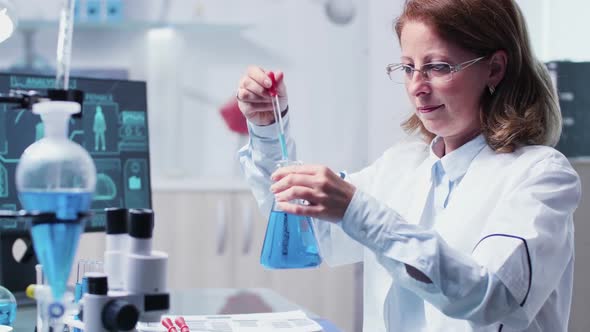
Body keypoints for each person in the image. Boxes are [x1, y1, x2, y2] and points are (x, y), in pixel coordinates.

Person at [236, 0, 581, 331]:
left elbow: (493, 297)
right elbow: (304, 228)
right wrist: (268, 129)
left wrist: (360, 212)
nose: (417, 86)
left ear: (494, 68)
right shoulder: (402, 164)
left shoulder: (541, 175)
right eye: (408, 67)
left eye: (438, 67)